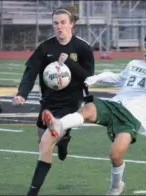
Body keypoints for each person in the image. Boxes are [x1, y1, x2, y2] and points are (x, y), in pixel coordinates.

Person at [40, 33, 146, 195]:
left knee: (115, 155)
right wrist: (95, 78)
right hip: (116, 104)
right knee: (88, 108)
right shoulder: (134, 63)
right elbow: (117, 78)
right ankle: (59, 125)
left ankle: (116, 186)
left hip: (132, 117)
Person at [12, 6, 95, 196]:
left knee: (45, 145)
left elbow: (88, 77)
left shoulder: (82, 47)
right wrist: (22, 93)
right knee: (41, 140)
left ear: (72, 24)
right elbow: (30, 72)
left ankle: (33, 191)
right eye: (56, 23)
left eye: (63, 22)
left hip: (71, 102)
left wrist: (70, 64)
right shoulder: (45, 47)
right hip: (48, 101)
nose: (59, 27)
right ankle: (64, 139)